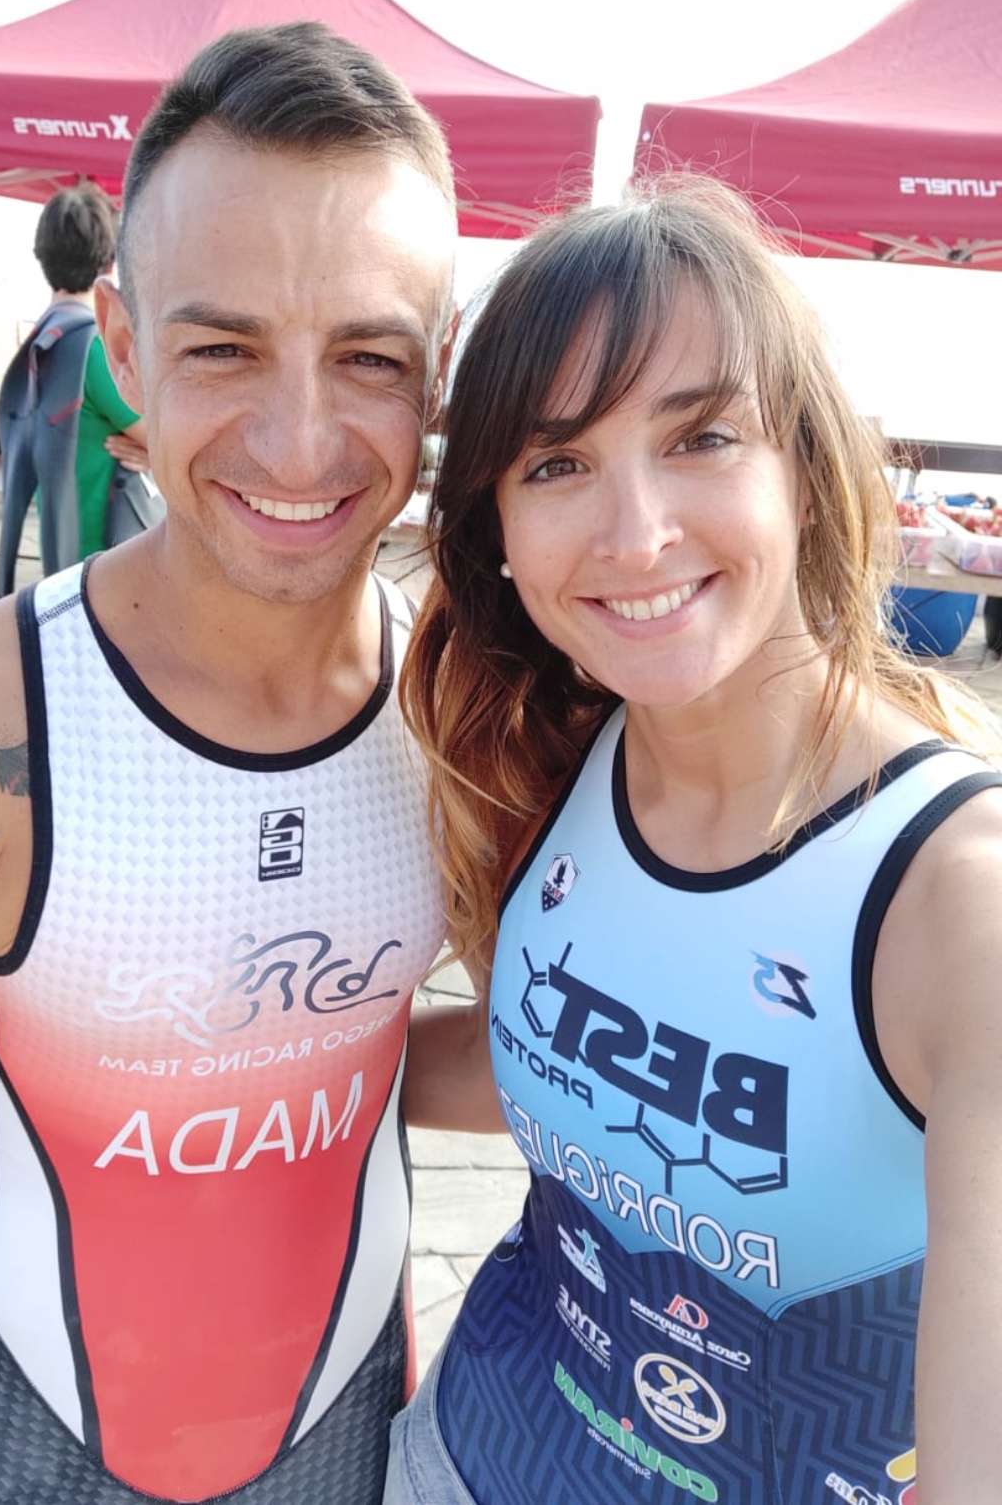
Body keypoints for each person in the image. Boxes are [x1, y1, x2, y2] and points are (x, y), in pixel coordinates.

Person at [0, 21, 457, 1505]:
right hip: (37, 1450)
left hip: (353, 1429)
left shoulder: (467, 710)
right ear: (121, 345)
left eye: (369, 357)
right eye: (224, 347)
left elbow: (570, 1030)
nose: (300, 443)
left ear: (439, 370)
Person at [394, 177, 1002, 1505]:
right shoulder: (549, 758)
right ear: (499, 530)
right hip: (458, 1449)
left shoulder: (959, 900)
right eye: (557, 464)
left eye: (703, 436)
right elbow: (549, 1063)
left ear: (806, 470)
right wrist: (228, 1067)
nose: (637, 533)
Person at [0, 181, 150, 594]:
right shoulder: (94, 349)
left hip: (63, 549)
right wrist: (153, 451)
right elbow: (173, 442)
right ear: (113, 262)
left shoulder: (41, 342)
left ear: (41, 257)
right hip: (110, 557)